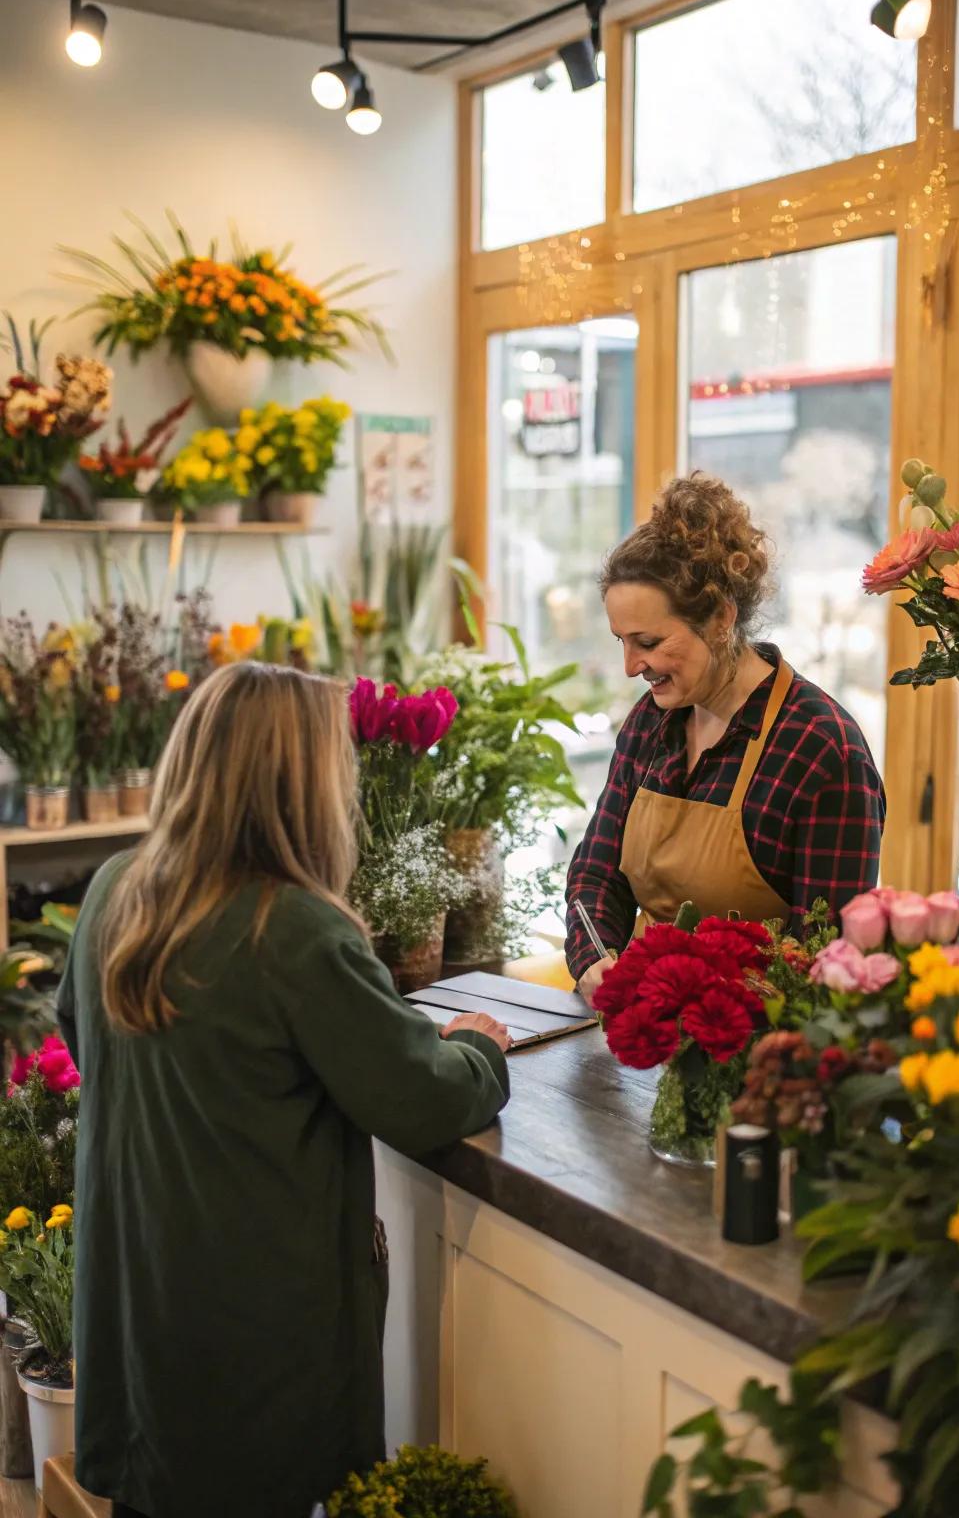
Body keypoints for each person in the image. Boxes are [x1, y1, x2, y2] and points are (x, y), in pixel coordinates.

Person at [56, 662, 511, 1518]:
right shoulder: (292, 927)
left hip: (140, 1303)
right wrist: (481, 1054)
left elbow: (83, 1032)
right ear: (298, 782)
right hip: (250, 1325)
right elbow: (421, 1099)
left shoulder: (117, 888)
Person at [566, 474, 885, 1004]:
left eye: (648, 642)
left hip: (757, 1054)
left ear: (719, 619)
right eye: (621, 641)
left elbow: (829, 963)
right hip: (641, 1030)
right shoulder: (651, 724)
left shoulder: (820, 749)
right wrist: (595, 961)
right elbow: (597, 874)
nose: (629, 667)